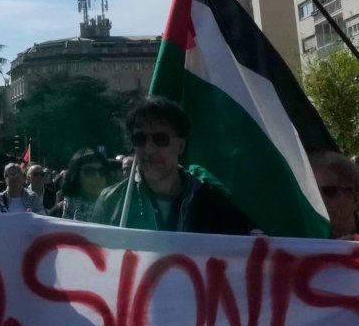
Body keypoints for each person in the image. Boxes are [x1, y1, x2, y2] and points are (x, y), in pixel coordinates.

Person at [89, 97, 255, 236]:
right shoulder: (111, 202)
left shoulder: (213, 202)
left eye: (160, 139)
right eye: (140, 139)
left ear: (181, 145)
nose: (149, 149)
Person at [308, 149, 359, 238]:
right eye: (312, 193)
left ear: (355, 199)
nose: (319, 200)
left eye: (329, 191)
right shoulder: (297, 244)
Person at [45, 148, 113, 222]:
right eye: (89, 171)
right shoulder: (59, 211)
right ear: (76, 176)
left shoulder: (118, 210)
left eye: (102, 171)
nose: (97, 177)